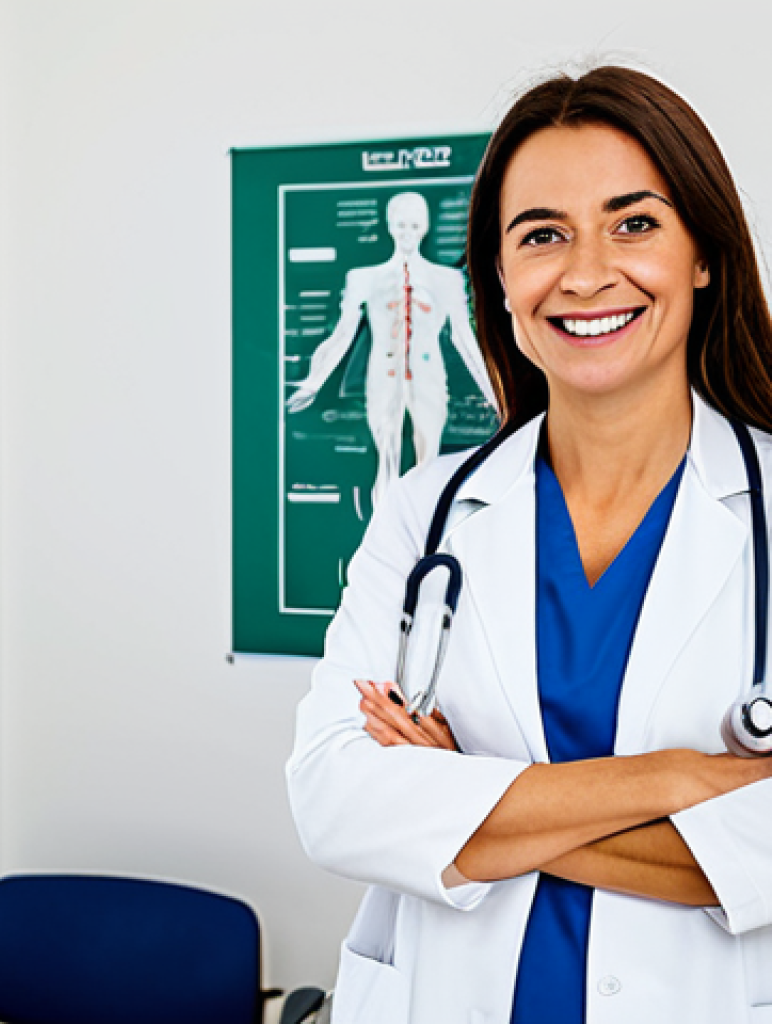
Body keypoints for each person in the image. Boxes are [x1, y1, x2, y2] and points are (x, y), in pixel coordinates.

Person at [286, 65, 772, 1024]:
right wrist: (678, 782)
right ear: (502, 277)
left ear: (703, 254)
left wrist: (459, 794)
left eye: (634, 223)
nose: (587, 272)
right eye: (542, 234)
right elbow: (336, 801)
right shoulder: (423, 512)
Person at [287, 192, 496, 506]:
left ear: (423, 227)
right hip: (383, 374)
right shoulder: (365, 278)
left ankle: (426, 545)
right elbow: (342, 335)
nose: (407, 233)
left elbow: (464, 341)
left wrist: (495, 395)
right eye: (401, 225)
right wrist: (313, 382)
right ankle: (384, 546)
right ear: (389, 226)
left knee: (429, 463)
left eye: (414, 225)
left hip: (428, 374)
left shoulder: (445, 280)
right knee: (385, 462)